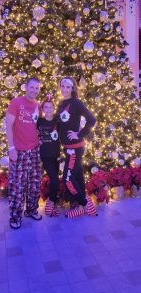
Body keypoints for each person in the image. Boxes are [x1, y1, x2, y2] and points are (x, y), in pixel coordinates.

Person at [57, 76, 97, 218]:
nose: (65, 89)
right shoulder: (62, 103)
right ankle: (79, 205)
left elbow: (92, 120)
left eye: (68, 87)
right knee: (78, 177)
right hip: (68, 148)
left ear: (73, 88)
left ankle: (86, 205)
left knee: (67, 179)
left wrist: (79, 134)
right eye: (63, 86)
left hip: (75, 148)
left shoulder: (76, 103)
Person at [6, 77, 42, 229]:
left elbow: (40, 126)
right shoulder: (16, 103)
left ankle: (31, 209)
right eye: (32, 87)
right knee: (17, 185)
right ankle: (15, 215)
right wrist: (11, 148)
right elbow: (8, 125)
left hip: (34, 151)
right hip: (18, 151)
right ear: (26, 87)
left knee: (34, 182)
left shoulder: (39, 106)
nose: (34, 90)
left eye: (37, 88)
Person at [37, 95, 60, 216]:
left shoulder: (58, 120)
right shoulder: (39, 121)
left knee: (54, 180)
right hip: (45, 156)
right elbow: (31, 133)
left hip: (56, 156)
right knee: (55, 180)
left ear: (53, 108)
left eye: (50, 107)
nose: (48, 109)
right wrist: (37, 140)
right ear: (43, 109)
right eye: (46, 107)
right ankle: (50, 204)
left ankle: (54, 202)